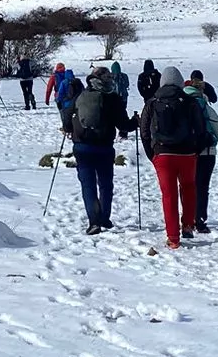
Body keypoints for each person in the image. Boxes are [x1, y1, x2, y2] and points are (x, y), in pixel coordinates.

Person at [140, 64, 207, 247]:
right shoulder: (189, 101)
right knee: (189, 188)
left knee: (168, 195)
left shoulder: (152, 102)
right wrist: (196, 150)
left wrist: (151, 153)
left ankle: (173, 239)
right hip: (187, 153)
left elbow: (144, 130)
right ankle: (187, 226)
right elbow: (201, 129)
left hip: (162, 154)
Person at [69, 67, 135, 234]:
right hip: (104, 147)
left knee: (88, 185)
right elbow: (123, 125)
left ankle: (93, 221)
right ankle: (104, 218)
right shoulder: (112, 98)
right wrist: (135, 122)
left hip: (82, 147)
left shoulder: (82, 95)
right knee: (105, 184)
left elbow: (68, 116)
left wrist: (69, 128)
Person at [184, 70, 218, 232]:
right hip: (207, 152)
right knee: (202, 187)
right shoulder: (205, 106)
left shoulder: (180, 104)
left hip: (186, 152)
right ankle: (199, 220)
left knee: (187, 186)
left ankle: (187, 219)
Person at [51, 63, 82, 133]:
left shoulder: (64, 82)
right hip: (77, 102)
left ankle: (67, 129)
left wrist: (58, 101)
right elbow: (83, 91)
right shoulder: (78, 81)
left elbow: (60, 93)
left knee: (66, 116)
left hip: (66, 103)